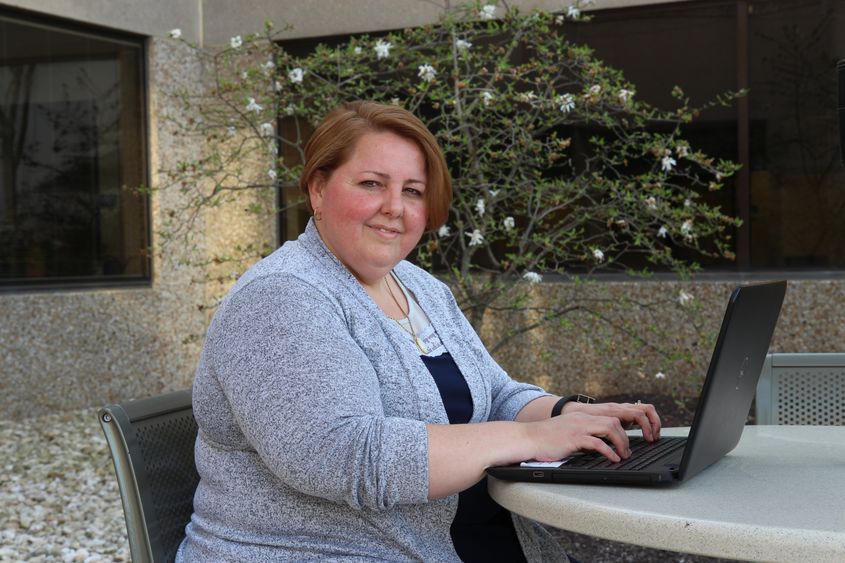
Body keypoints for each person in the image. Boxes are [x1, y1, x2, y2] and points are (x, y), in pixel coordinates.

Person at [177, 100, 661, 562]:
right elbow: (344, 456)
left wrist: (571, 415)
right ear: (318, 189)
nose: (395, 207)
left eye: (412, 190)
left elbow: (493, 393)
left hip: (462, 542)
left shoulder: (416, 284)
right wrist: (533, 438)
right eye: (371, 183)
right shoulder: (283, 296)